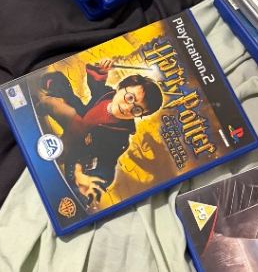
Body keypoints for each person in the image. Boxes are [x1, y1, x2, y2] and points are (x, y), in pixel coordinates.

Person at [35, 59, 163, 205]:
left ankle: (77, 183)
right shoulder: (106, 93)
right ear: (122, 87)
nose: (128, 108)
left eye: (137, 110)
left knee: (71, 162)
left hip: (78, 151)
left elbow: (107, 166)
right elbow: (95, 82)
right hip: (78, 118)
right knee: (54, 96)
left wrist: (90, 178)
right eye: (130, 98)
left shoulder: (120, 138)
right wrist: (101, 69)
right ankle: (38, 106)